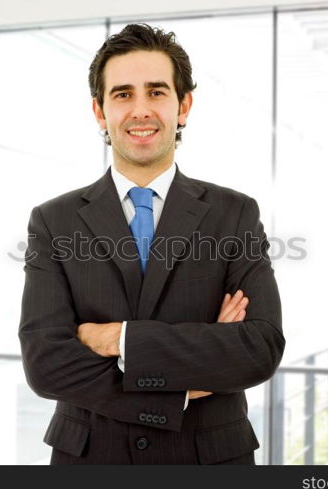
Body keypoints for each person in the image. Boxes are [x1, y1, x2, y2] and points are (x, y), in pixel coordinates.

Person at [18, 23, 284, 465]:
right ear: (100, 112)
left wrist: (118, 339)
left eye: (156, 92)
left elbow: (258, 348)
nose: (140, 110)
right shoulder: (53, 221)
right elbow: (46, 364)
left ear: (184, 106)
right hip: (90, 460)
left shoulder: (234, 214)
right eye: (123, 94)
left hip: (210, 460)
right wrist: (180, 384)